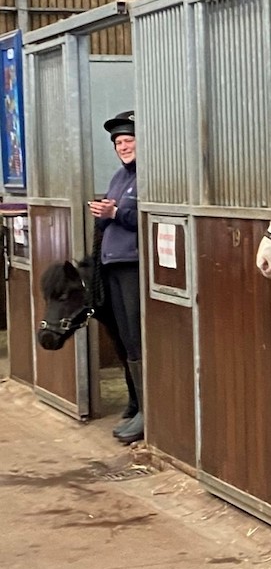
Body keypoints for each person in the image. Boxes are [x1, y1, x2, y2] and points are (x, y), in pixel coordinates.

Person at [90, 110, 144, 445]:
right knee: (126, 338)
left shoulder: (147, 176)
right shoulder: (118, 177)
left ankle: (147, 409)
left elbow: (146, 217)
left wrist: (116, 213)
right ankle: (138, 402)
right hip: (114, 264)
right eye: (118, 142)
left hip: (133, 264)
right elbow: (112, 218)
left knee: (138, 337)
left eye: (128, 140)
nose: (123, 146)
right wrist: (101, 215)